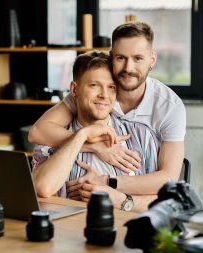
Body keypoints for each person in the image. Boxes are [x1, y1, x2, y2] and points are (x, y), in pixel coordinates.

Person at [29, 22, 186, 195]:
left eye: (138, 58)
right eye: (121, 58)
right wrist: (91, 142)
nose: (128, 68)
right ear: (112, 58)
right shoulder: (88, 96)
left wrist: (106, 184)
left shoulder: (165, 112)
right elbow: (38, 132)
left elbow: (168, 180)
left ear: (152, 59)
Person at [32, 51, 158, 212]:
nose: (104, 95)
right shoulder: (51, 139)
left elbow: (162, 201)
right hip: (69, 233)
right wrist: (83, 135)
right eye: (94, 85)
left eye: (111, 87)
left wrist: (120, 200)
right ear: (74, 89)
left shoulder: (142, 136)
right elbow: (43, 188)